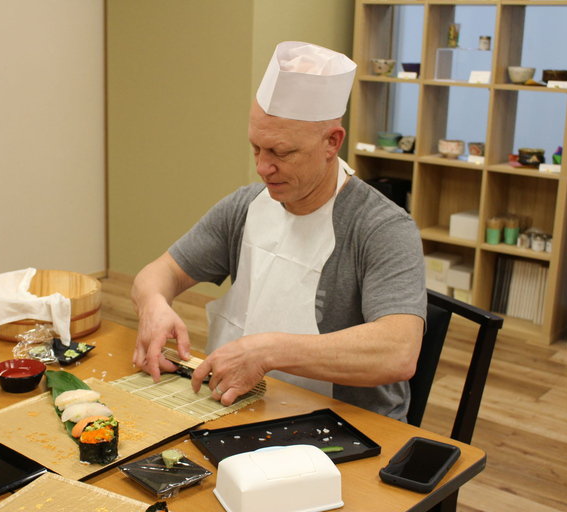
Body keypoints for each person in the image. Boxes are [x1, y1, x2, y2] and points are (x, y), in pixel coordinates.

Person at [132, 41, 426, 421]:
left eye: (282, 153)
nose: (262, 168)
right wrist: (154, 305)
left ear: (331, 143)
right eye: (256, 148)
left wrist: (267, 351)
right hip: (242, 407)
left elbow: (398, 351)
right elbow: (160, 273)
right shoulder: (246, 207)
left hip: (346, 428)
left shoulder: (382, 228)